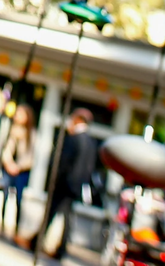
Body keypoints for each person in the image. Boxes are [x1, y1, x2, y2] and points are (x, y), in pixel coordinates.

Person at [22, 107, 99, 260]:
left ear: (78, 120)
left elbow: (63, 162)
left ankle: (37, 242)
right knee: (66, 217)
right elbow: (89, 167)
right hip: (75, 187)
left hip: (64, 184)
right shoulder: (91, 142)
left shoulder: (74, 138)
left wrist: (56, 179)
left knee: (51, 213)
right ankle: (58, 247)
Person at [0, 103, 37, 236]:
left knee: (18, 199)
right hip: (8, 168)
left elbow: (30, 157)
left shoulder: (31, 134)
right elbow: (6, 149)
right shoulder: (11, 130)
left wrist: (18, 166)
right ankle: (2, 225)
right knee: (4, 195)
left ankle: (15, 229)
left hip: (21, 172)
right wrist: (8, 163)